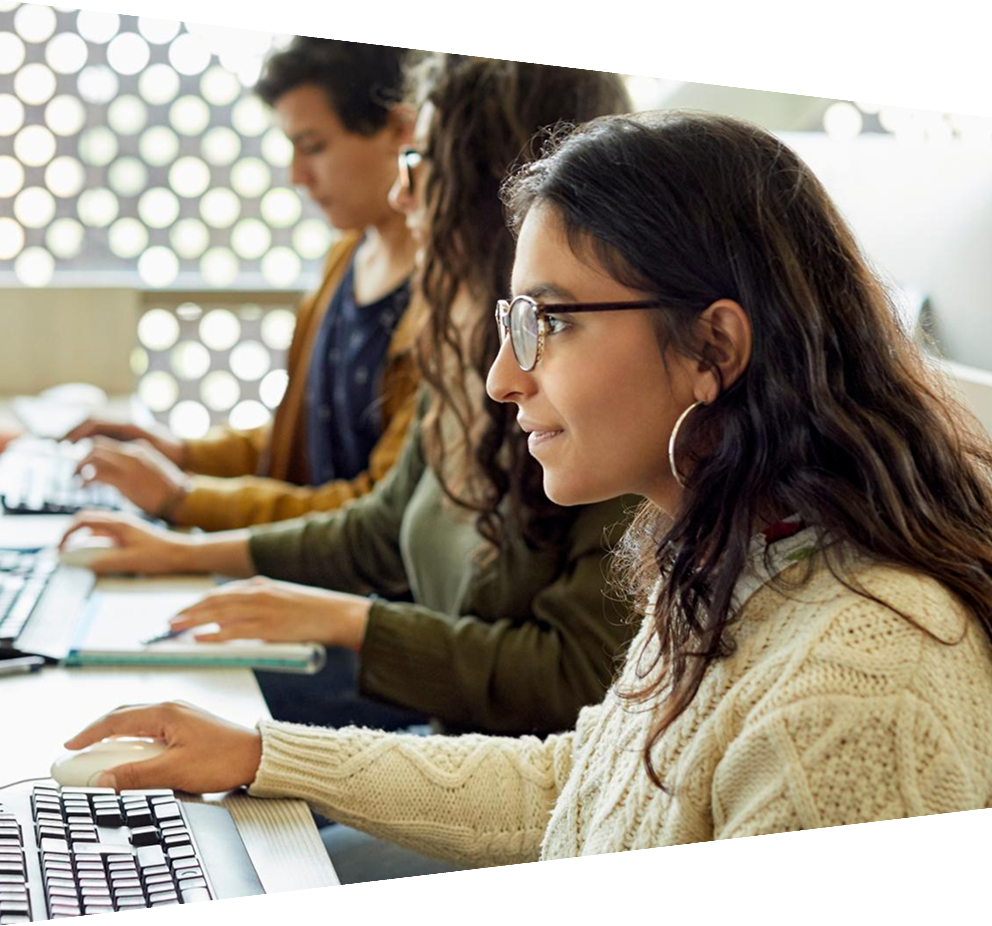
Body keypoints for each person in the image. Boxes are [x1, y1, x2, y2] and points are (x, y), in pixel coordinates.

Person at [65, 110, 992, 869]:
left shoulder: (860, 692)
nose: (502, 377)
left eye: (548, 321)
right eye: (514, 320)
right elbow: (577, 788)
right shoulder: (732, 557)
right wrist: (263, 754)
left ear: (714, 348)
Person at [61, 59, 636, 738]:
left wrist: (336, 616)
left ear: (491, 187)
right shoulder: (458, 346)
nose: (401, 194)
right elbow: (374, 523)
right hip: (453, 741)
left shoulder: (609, 401)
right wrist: (181, 543)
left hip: (493, 771)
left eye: (417, 158)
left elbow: (571, 684)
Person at [59, 39, 424, 531]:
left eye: (313, 146)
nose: (298, 176)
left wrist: (183, 497)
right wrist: (179, 453)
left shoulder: (444, 298)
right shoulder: (348, 256)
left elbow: (378, 513)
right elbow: (302, 441)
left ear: (400, 131)